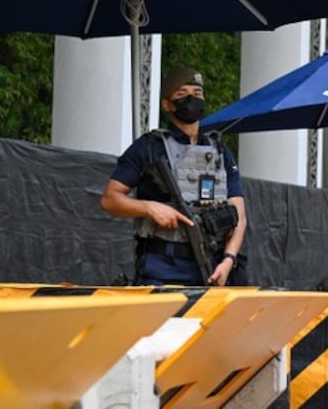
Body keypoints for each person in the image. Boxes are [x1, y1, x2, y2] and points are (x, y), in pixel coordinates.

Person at [101, 67, 246, 286]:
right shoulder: (148, 147)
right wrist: (149, 207)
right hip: (163, 268)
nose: (191, 99)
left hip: (213, 268)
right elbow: (110, 199)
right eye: (182, 94)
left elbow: (239, 216)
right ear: (167, 104)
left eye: (197, 94)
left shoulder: (219, 151)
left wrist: (228, 260)